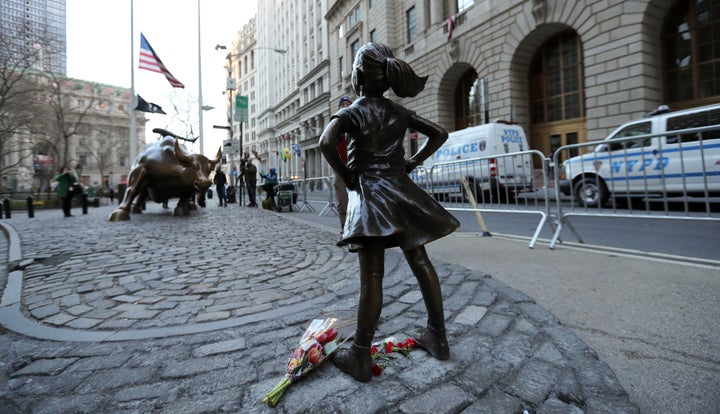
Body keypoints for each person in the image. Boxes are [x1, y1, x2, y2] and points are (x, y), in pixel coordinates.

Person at [319, 42, 460, 382]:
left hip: (371, 195)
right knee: (421, 262)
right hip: (401, 192)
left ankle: (360, 354)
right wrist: (412, 162)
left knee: (372, 277)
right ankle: (438, 336)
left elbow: (326, 142)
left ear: (357, 76)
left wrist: (349, 174)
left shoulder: (353, 111)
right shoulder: (398, 112)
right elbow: (440, 133)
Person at [333, 95, 353, 240]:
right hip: (341, 168)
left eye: (348, 104)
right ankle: (345, 230)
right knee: (342, 201)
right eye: (343, 104)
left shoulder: (357, 123)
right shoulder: (336, 125)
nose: (345, 106)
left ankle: (360, 230)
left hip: (357, 165)